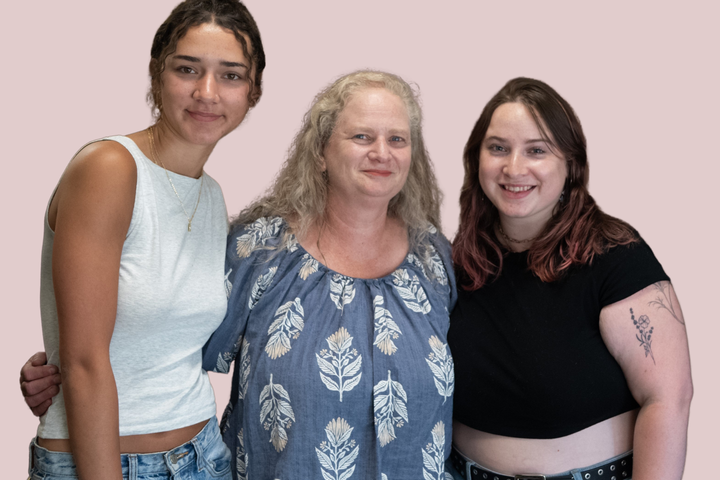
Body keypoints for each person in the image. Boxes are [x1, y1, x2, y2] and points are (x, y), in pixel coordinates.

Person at [23, 1, 266, 479]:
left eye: (231, 75)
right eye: (187, 69)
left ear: (253, 91)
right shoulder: (109, 168)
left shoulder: (212, 195)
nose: (207, 92)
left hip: (203, 454)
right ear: (157, 73)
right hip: (103, 464)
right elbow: (85, 362)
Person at [201, 70, 456, 479]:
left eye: (397, 139)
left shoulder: (433, 258)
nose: (382, 153)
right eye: (362, 137)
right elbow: (179, 356)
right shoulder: (260, 251)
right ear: (320, 152)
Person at [447, 78, 692, 480]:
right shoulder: (461, 261)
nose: (513, 168)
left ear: (571, 164)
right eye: (498, 148)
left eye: (537, 150)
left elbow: (668, 399)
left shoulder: (616, 256)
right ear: (477, 159)